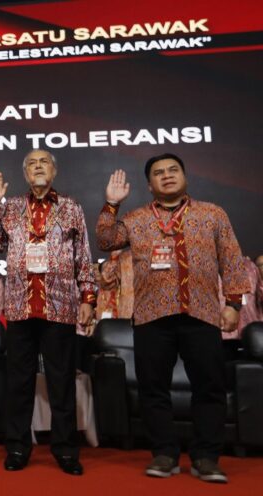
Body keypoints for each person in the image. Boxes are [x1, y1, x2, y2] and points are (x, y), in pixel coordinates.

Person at [98, 153, 250, 483]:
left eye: (173, 170)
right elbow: (106, 240)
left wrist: (233, 305)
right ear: (149, 184)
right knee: (153, 389)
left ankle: (206, 458)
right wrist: (112, 204)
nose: (167, 176)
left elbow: (232, 260)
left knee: (209, 387)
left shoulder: (212, 214)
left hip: (201, 312)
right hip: (152, 316)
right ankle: (164, 454)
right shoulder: (136, 218)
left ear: (184, 176)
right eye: (158, 173)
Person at [0, 150, 96, 476]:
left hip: (60, 306)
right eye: (31, 164)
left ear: (54, 170)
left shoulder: (71, 207)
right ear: (25, 174)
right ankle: (17, 447)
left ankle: (65, 449)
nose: (37, 167)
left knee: (61, 382)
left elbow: (83, 255)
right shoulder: (12, 206)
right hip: (20, 307)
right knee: (19, 383)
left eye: (43, 162)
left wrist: (88, 297)